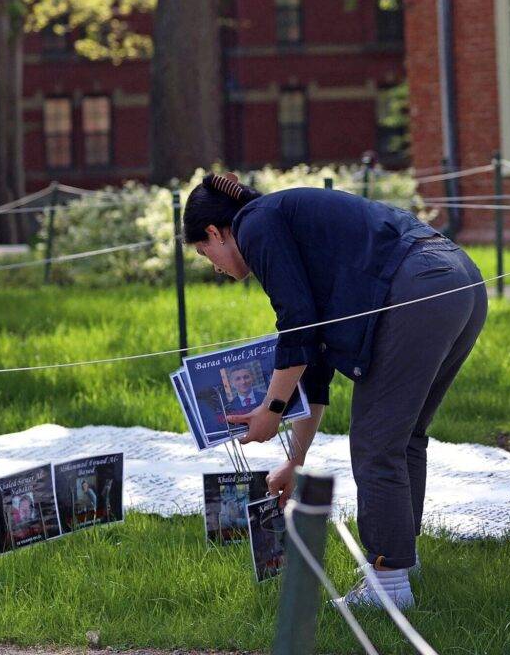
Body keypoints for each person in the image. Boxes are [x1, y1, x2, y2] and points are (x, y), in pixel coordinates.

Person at [183, 173, 487, 612]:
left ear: (215, 231)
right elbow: (313, 363)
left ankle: (388, 584)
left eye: (202, 251)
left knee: (375, 445)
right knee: (403, 438)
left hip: (419, 288)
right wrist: (295, 459)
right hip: (461, 281)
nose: (211, 263)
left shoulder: (254, 223)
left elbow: (296, 324)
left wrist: (270, 410)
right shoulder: (285, 223)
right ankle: (402, 563)